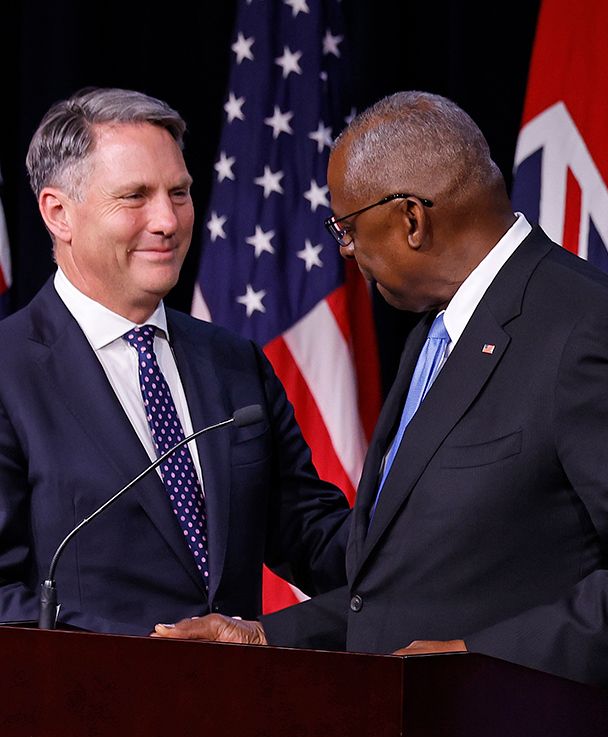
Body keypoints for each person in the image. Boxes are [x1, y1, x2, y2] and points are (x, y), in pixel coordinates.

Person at [155, 92, 608, 737]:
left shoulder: (584, 329)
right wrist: (259, 638)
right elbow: (409, 591)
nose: (345, 251)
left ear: (410, 220)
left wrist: (483, 662)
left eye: (345, 228)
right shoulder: (437, 336)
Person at [0, 88, 349, 634]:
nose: (167, 220)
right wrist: (153, 657)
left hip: (247, 708)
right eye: (136, 196)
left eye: (179, 193)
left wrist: (427, 545)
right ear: (58, 213)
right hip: (80, 709)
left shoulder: (235, 363)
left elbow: (310, 533)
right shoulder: (9, 371)